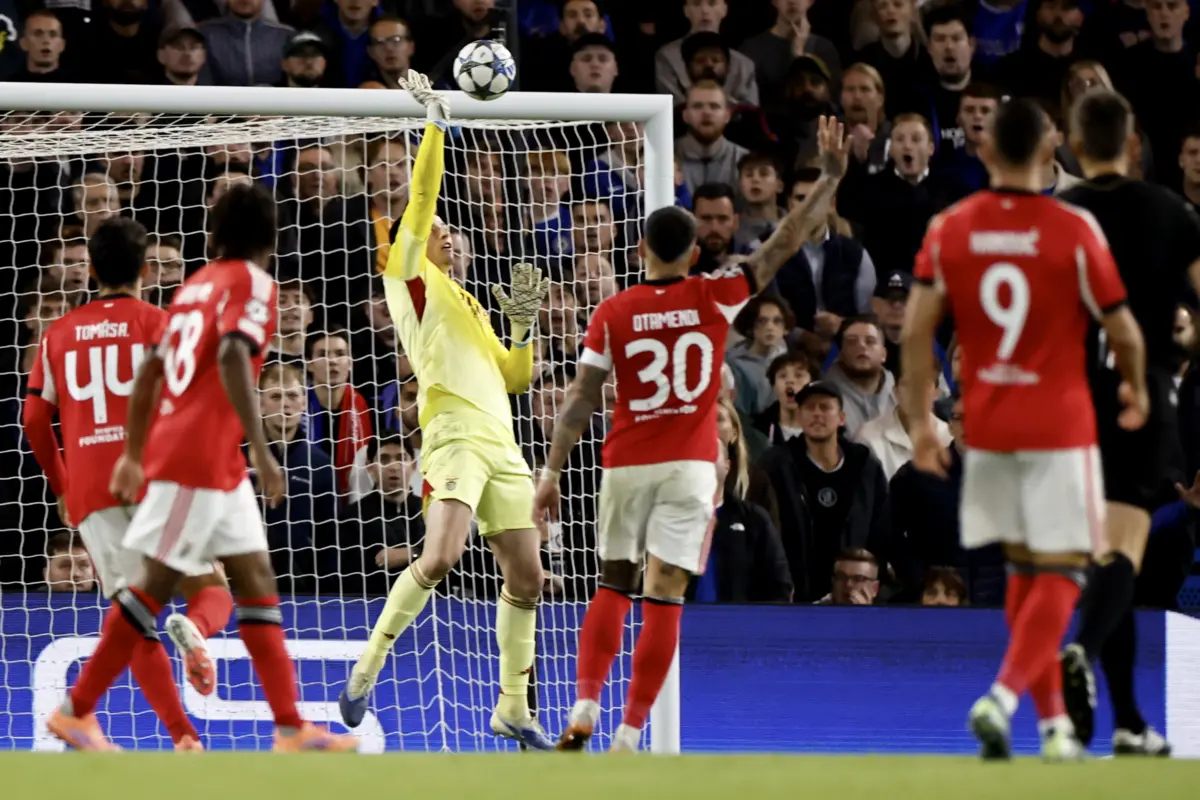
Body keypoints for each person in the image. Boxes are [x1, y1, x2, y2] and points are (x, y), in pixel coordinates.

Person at [532, 115, 849, 752]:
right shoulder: (716, 292)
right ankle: (630, 732)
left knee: (612, 584)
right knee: (665, 596)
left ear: (639, 251)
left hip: (626, 462)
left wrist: (551, 471)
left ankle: (586, 704)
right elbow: (785, 239)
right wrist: (831, 177)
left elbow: (580, 399)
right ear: (694, 253)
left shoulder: (613, 311)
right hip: (689, 467)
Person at [43, 184, 358, 753]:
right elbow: (234, 353)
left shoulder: (193, 287)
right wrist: (262, 448)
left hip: (213, 461)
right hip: (196, 457)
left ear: (215, 235)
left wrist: (133, 454)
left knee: (255, 580)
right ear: (269, 239)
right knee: (152, 588)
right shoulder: (252, 282)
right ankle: (77, 709)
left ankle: (289, 727)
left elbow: (152, 371)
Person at [900, 97, 1148, 762]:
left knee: (1021, 573)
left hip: (988, 425)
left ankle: (1054, 727)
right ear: (1049, 150)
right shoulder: (1074, 227)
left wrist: (921, 422)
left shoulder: (951, 226)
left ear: (984, 149)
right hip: (1060, 425)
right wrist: (1135, 387)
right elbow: (1124, 329)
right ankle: (1003, 697)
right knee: (1063, 572)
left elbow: (916, 331)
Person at [337, 71, 556, 750]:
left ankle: (512, 707)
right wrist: (434, 123)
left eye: (453, 231)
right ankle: (366, 667)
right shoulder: (409, 280)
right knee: (439, 558)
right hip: (454, 435)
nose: (449, 236)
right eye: (437, 231)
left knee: (528, 575)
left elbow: (516, 377)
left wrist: (522, 325)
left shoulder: (470, 304)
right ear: (414, 238)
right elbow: (424, 193)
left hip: (503, 444)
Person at [24, 217, 235, 752]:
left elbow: (33, 419)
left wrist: (62, 485)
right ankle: (197, 630)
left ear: (91, 271)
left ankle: (183, 738)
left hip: (92, 491)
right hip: (155, 478)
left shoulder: (56, 334)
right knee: (212, 587)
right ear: (145, 270)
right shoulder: (160, 325)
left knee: (133, 615)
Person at [1056, 89, 1200, 756]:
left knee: (1109, 561)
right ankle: (1080, 651)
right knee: (1122, 551)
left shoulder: (1062, 216)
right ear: (1134, 143)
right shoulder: (1172, 211)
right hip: (1143, 395)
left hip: (1071, 402)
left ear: (1075, 146)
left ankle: (1129, 723)